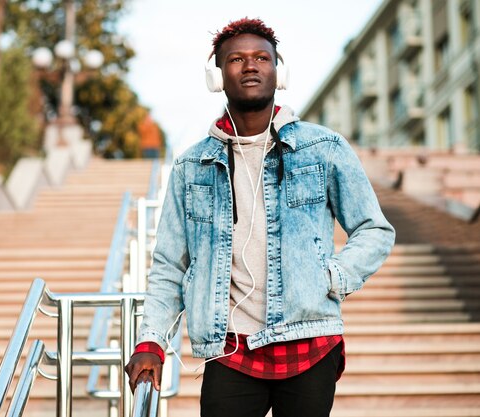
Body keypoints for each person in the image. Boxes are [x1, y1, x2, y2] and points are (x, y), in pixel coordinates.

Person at [125, 17, 395, 417]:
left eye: (261, 58)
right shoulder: (191, 165)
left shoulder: (323, 147)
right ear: (217, 77)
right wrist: (150, 342)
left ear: (277, 72)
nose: (250, 66)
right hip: (230, 348)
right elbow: (169, 263)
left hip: (309, 343)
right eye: (236, 59)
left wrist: (330, 277)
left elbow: (374, 229)